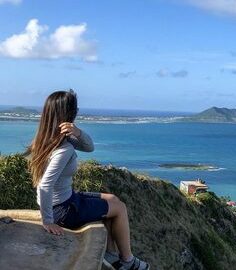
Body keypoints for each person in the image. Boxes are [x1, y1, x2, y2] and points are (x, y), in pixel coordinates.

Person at [25, 89, 149, 270]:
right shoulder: (64, 148)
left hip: (67, 199)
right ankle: (128, 261)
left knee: (112, 199)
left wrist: (77, 132)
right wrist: (47, 221)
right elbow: (44, 186)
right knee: (120, 208)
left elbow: (89, 147)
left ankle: (111, 255)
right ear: (69, 114)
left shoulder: (45, 139)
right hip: (64, 209)